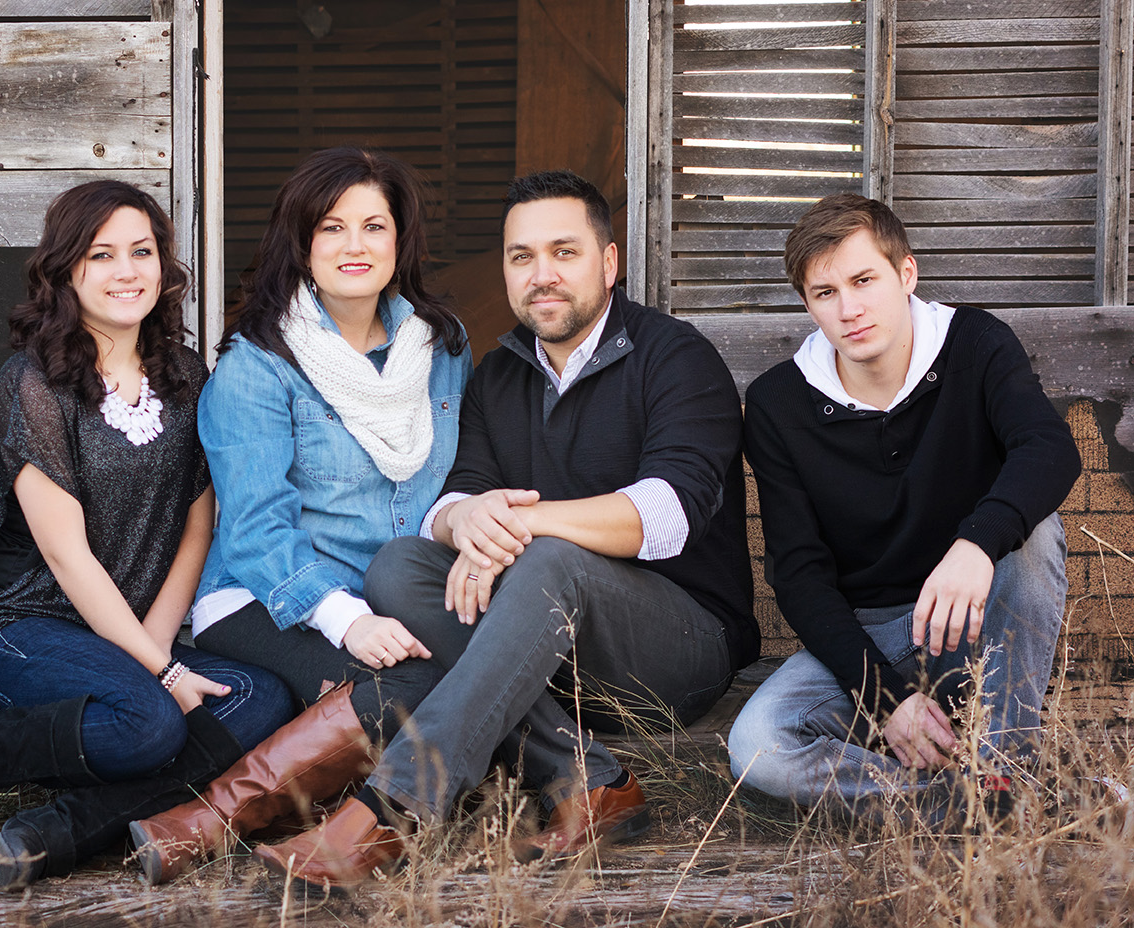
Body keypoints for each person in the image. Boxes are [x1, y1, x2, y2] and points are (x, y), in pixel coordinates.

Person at [251, 169, 758, 890]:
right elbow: (449, 503)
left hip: (678, 648)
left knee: (550, 559)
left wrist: (517, 526)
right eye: (521, 257)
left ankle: (392, 809)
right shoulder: (498, 375)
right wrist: (465, 519)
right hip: (548, 643)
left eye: (563, 252)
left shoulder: (675, 358)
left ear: (608, 263)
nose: (540, 275)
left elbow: (667, 514)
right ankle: (593, 782)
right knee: (399, 564)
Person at [0, 181, 291, 888]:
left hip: (132, 637)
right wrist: (160, 674)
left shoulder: (186, 376)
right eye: (101, 255)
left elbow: (198, 526)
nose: (126, 271)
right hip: (30, 628)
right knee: (149, 725)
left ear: (165, 267)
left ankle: (65, 826)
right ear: (67, 270)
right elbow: (64, 557)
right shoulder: (34, 383)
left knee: (262, 698)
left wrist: (158, 647)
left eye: (142, 251)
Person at [126, 147, 471, 884]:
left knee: (472, 670)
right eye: (331, 228)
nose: (355, 246)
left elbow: (457, 476)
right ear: (301, 244)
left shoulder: (442, 348)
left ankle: (355, 831)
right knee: (422, 686)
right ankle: (206, 826)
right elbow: (253, 531)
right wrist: (347, 620)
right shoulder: (258, 365)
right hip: (268, 595)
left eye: (373, 226)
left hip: (397, 591)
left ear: (399, 239)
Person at [727, 193, 1081, 821]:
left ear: (906, 274)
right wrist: (884, 699)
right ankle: (990, 807)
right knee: (759, 748)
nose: (849, 309)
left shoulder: (973, 344)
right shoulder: (780, 404)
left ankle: (1004, 764)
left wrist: (975, 545)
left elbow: (1049, 449)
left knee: (1032, 534)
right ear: (808, 305)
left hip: (976, 618)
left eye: (864, 280)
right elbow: (800, 574)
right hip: (867, 638)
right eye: (825, 293)